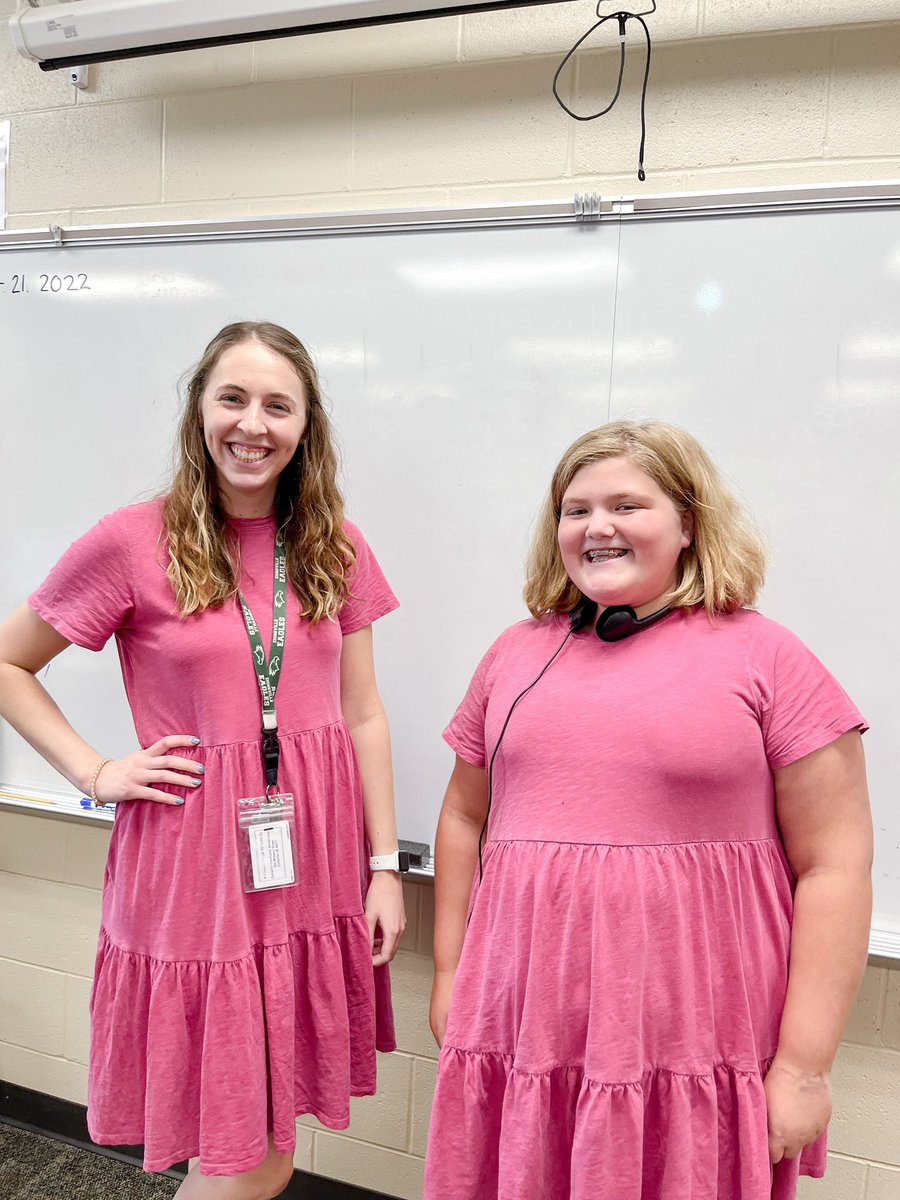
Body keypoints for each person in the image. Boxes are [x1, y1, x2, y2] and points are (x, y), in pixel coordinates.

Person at [0, 321, 406, 1199]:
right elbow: (8, 662)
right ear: (198, 410)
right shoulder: (131, 541)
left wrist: (383, 866)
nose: (251, 424)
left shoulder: (333, 540)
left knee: (269, 1137)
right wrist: (93, 770)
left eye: (277, 405)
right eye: (232, 397)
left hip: (306, 862)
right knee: (241, 1144)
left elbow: (363, 713)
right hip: (194, 864)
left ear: (306, 428)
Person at [424, 420, 872, 1200]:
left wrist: (804, 1066)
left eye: (627, 505)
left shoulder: (769, 658)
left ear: (689, 522)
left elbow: (835, 865)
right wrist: (451, 974)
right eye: (576, 509)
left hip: (692, 1041)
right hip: (526, 1032)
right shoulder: (513, 655)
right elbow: (465, 817)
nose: (597, 527)